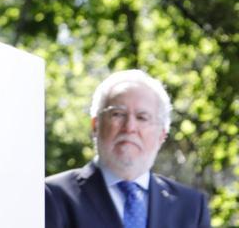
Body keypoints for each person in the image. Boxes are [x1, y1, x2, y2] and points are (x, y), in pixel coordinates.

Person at [44, 69, 211, 228]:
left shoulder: (191, 207)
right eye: (118, 114)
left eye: (142, 117)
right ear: (96, 125)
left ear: (162, 135)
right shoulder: (52, 196)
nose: (130, 127)